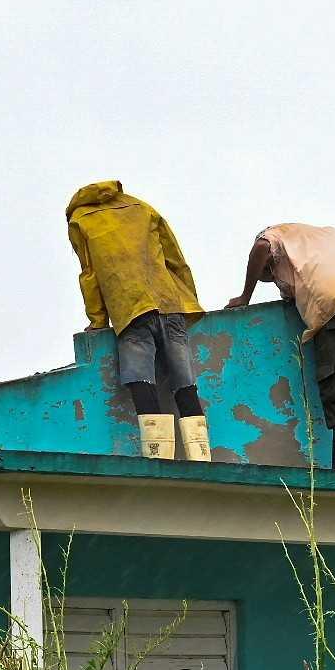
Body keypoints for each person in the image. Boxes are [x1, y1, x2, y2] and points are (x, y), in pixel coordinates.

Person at [67, 180, 212, 461]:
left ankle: (159, 457)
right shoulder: (142, 207)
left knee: (140, 379)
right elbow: (175, 258)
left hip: (130, 308)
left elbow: (90, 275)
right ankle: (202, 457)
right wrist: (188, 299)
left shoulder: (80, 220)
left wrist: (97, 321)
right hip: (169, 302)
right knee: (184, 380)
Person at [227, 224, 335, 471]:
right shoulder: (330, 237)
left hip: (333, 315)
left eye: (271, 277)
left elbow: (260, 248)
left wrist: (244, 296)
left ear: (272, 263)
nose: (279, 284)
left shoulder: (275, 237)